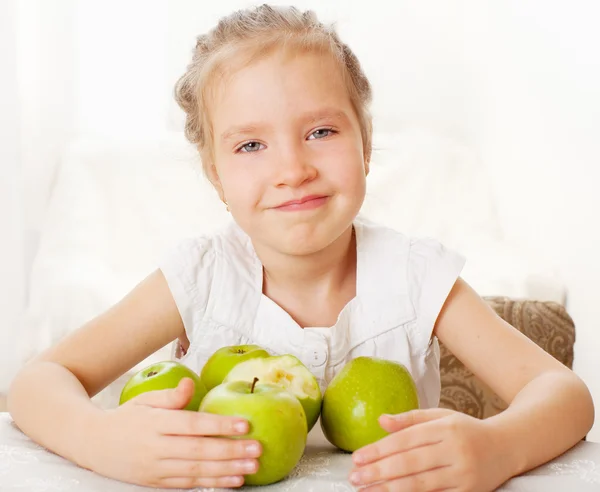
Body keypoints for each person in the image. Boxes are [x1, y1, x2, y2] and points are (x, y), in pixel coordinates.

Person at [8, 4, 594, 491]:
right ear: (215, 175)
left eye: (321, 132)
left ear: (365, 145)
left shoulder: (416, 276)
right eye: (251, 146)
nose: (292, 169)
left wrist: (498, 446)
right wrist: (99, 438)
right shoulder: (203, 275)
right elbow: (37, 382)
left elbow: (564, 395)